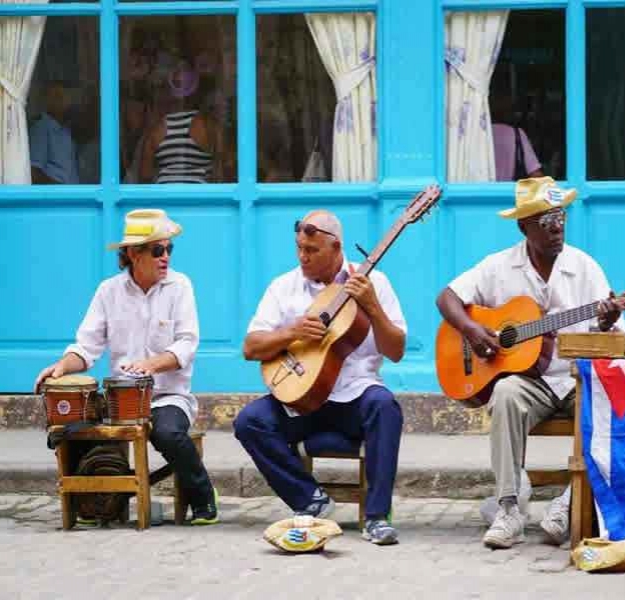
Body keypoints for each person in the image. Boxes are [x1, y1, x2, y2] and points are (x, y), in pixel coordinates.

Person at [435, 177, 625, 549]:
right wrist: (473, 331)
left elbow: (618, 341)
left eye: (561, 215)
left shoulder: (585, 268)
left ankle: (569, 503)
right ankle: (508, 509)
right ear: (523, 226)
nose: (557, 226)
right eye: (545, 219)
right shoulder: (498, 266)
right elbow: (447, 298)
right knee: (505, 392)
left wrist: (606, 322)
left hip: (575, 380)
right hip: (531, 382)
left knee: (610, 399)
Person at [34, 209, 218, 525]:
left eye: (169, 249)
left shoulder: (180, 286)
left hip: (167, 396)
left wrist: (149, 365)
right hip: (119, 400)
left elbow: (187, 344)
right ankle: (92, 504)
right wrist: (61, 367)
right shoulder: (109, 291)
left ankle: (203, 500)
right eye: (158, 250)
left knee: (168, 434)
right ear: (133, 254)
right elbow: (86, 347)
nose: (166, 257)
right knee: (74, 429)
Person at [234, 210, 406, 545]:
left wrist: (373, 308)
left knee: (385, 407)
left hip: (355, 395)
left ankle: (376, 517)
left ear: (336, 246)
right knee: (249, 422)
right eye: (299, 248)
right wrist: (291, 333)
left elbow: (396, 350)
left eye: (312, 250)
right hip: (302, 398)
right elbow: (250, 347)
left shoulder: (375, 283)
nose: (303, 256)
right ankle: (309, 498)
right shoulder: (283, 286)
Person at [139, 58, 223, 183]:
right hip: (201, 198)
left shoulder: (157, 129)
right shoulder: (208, 125)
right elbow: (222, 170)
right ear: (198, 92)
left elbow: (145, 174)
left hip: (164, 198)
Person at [29, 81, 80, 184]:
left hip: (72, 197)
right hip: (56, 197)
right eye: (58, 97)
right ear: (48, 102)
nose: (66, 102)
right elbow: (34, 172)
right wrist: (61, 190)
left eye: (68, 98)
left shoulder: (66, 130)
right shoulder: (42, 128)